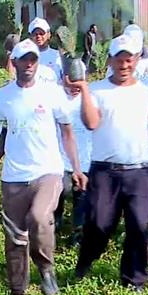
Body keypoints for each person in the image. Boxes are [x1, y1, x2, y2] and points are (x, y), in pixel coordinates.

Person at [71, 34, 148, 292]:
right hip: (105, 172)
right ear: (109, 60)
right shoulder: (97, 90)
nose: (124, 65)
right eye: (119, 59)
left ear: (137, 59)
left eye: (129, 59)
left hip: (139, 171)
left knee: (138, 225)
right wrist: (83, 89)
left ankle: (134, 280)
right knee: (99, 224)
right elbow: (91, 123)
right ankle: (85, 261)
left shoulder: (147, 91)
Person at [0, 40, 86, 295]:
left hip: (48, 171)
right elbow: (3, 134)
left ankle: (46, 270)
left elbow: (67, 133)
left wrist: (76, 168)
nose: (29, 64)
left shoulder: (52, 93)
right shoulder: (2, 98)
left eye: (33, 59)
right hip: (14, 176)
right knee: (15, 235)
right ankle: (17, 290)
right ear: (14, 62)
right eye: (24, 59)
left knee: (40, 217)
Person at [57, 79, 92, 247]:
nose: (75, 87)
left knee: (82, 197)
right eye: (71, 82)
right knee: (61, 191)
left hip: (85, 159)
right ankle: (55, 224)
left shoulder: (91, 99)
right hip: (61, 159)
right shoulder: (56, 98)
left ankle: (77, 234)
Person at [28, 18, 62, 82]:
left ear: (48, 34)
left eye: (41, 33)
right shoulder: (25, 57)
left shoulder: (58, 56)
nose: (38, 36)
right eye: (35, 34)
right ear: (30, 36)